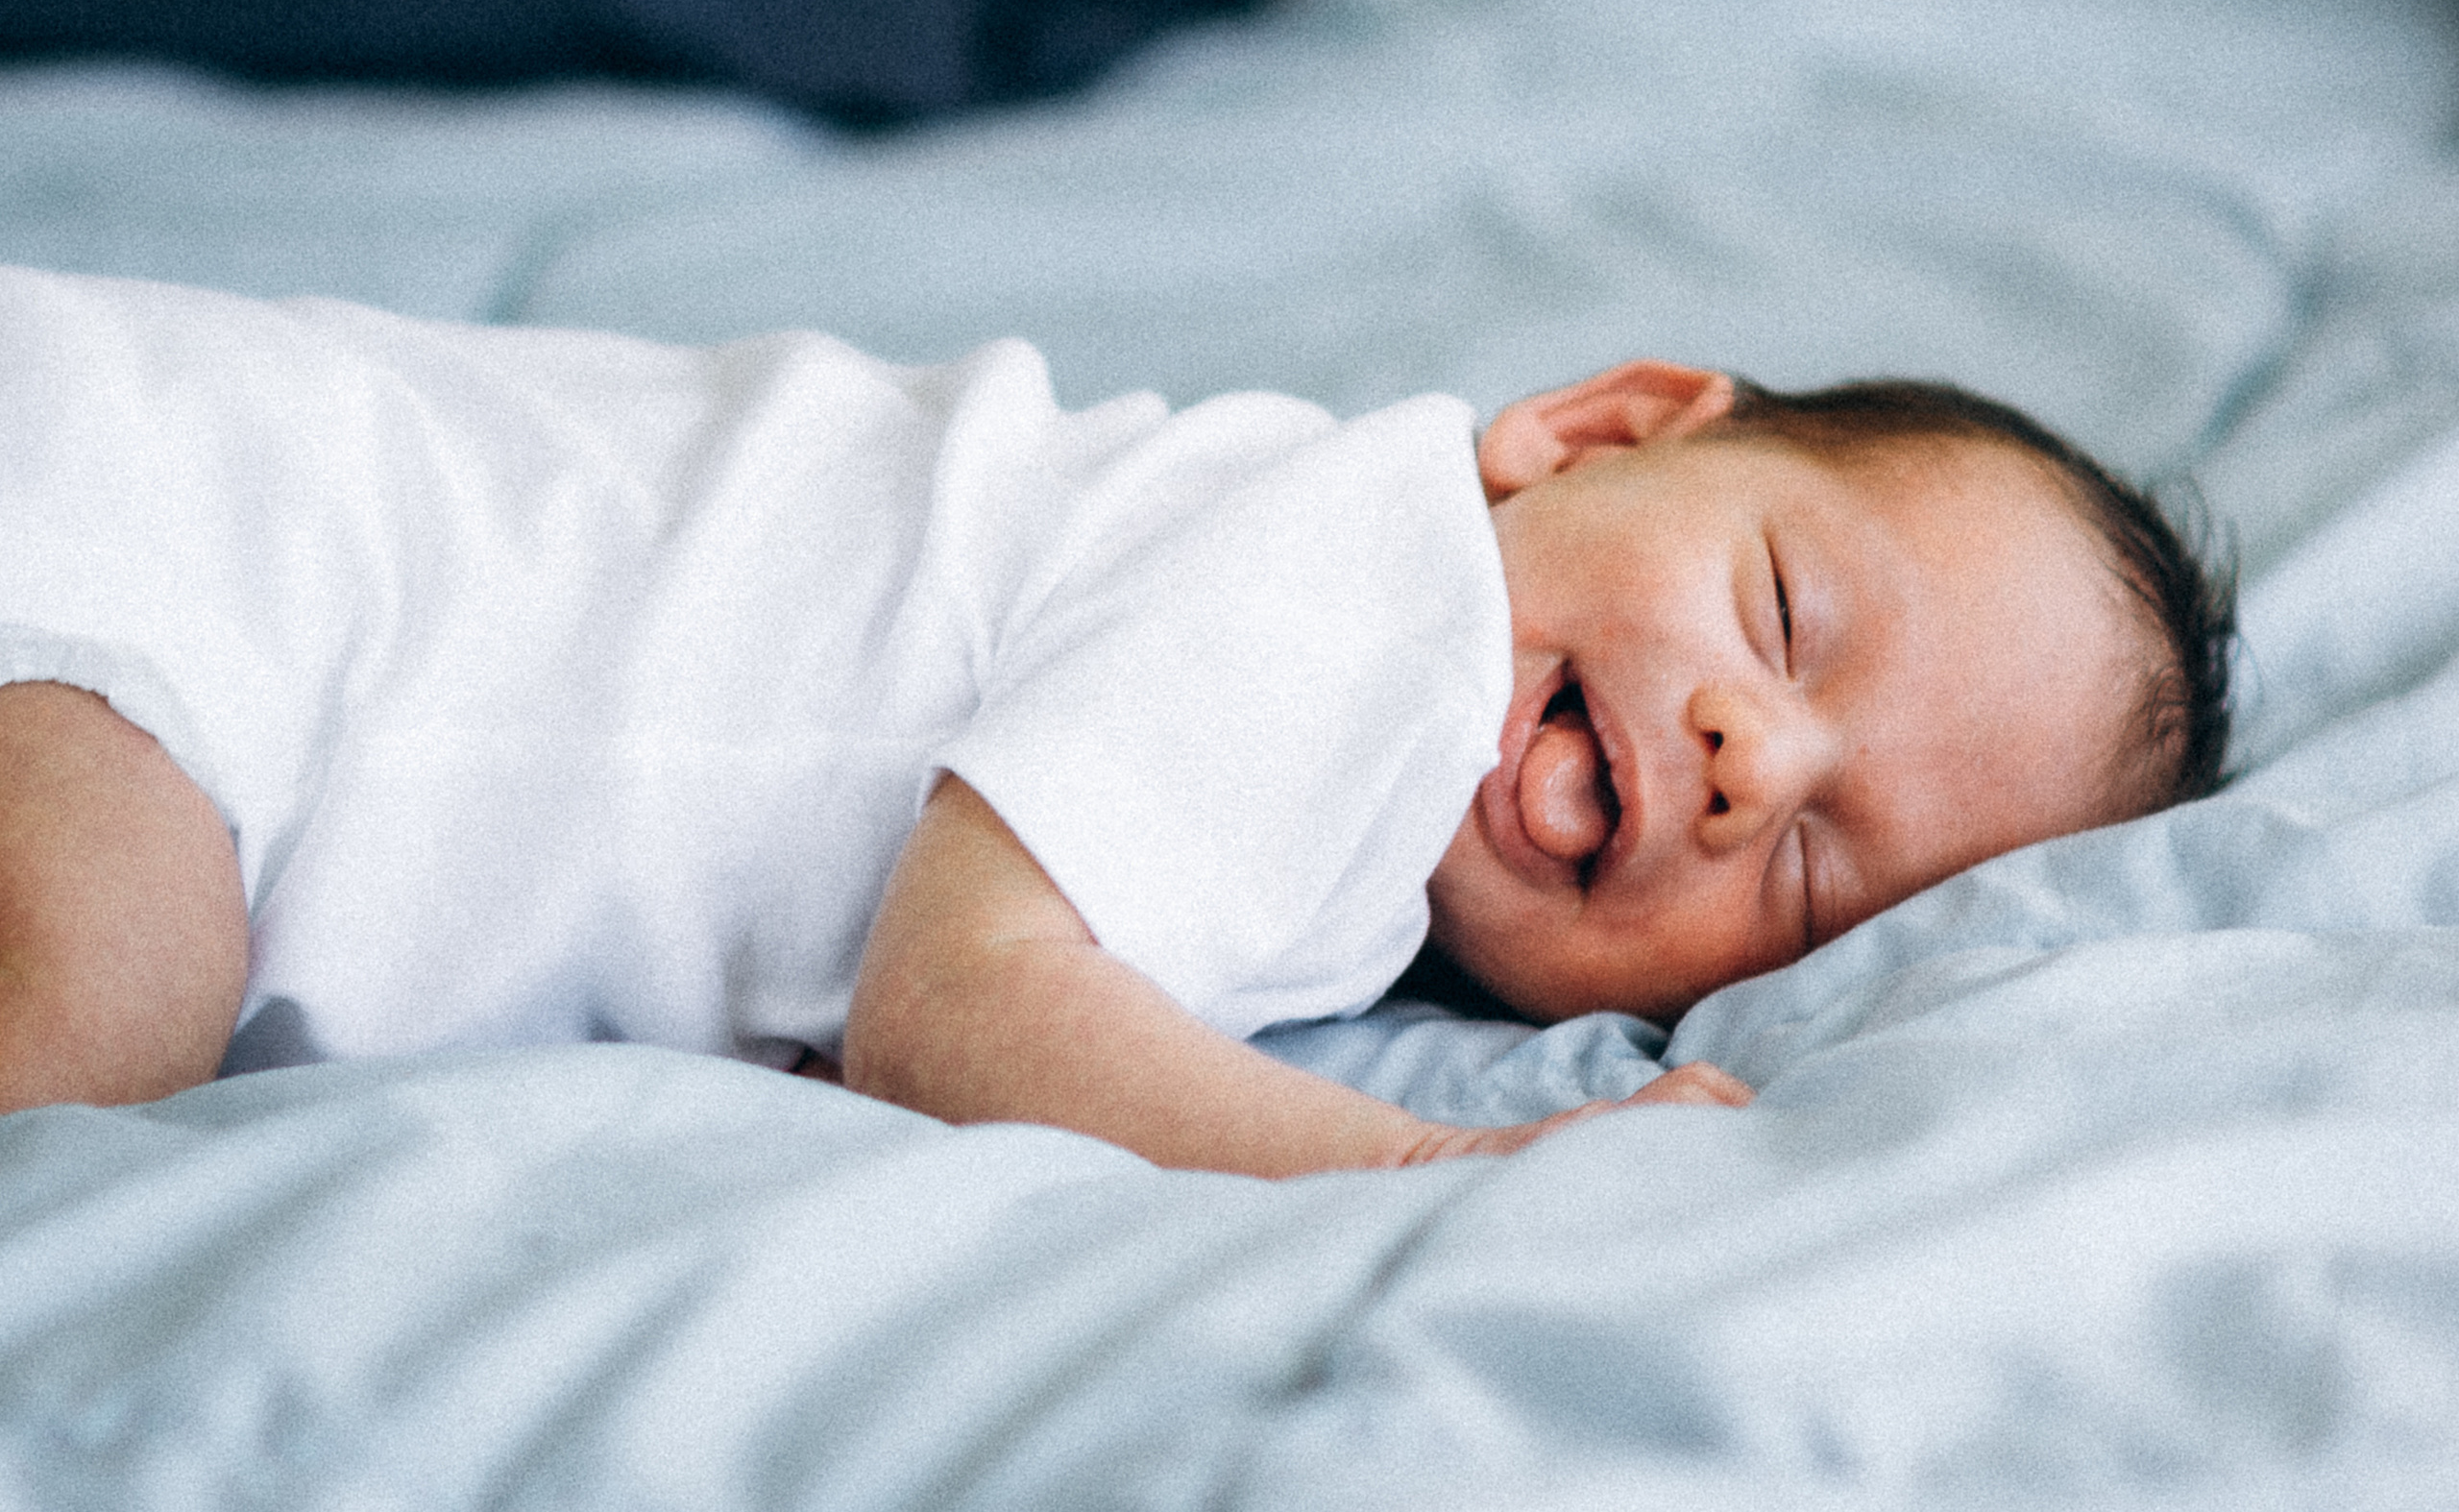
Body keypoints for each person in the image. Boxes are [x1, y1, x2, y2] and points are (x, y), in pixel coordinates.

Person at [0, 267, 2231, 1174]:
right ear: (1596, 428)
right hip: (217, 567)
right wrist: (1445, 1176)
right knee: (79, 1020)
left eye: (1818, 870)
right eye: (1776, 612)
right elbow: (960, 1004)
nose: (1753, 757)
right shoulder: (1371, 587)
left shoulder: (1336, 870)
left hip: (210, 562)